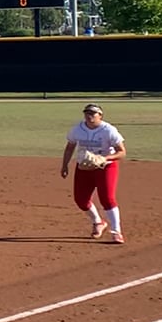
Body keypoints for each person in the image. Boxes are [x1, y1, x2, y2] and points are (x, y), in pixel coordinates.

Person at [60, 103, 126, 243]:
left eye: (93, 113)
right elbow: (70, 147)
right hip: (84, 167)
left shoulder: (108, 130)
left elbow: (122, 152)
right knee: (81, 200)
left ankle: (116, 232)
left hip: (106, 167)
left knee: (107, 198)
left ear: (100, 116)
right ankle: (98, 222)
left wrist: (105, 158)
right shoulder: (77, 129)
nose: (89, 116)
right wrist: (65, 165)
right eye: (87, 113)